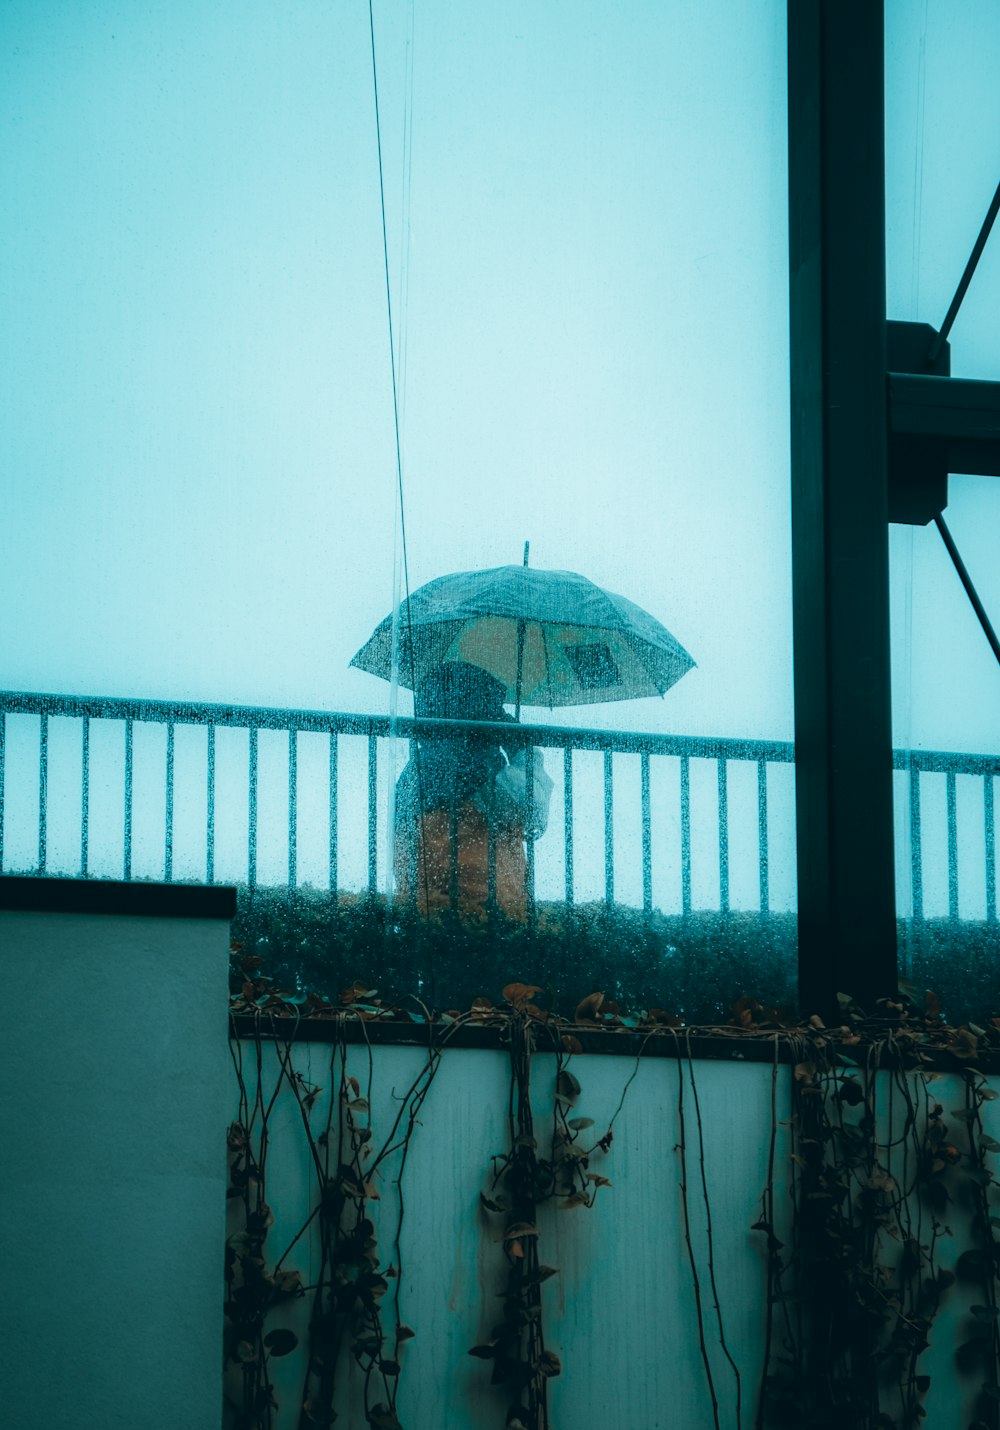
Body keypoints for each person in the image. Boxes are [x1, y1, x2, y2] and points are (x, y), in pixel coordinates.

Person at [393, 660, 552, 921]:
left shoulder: (416, 772)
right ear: (481, 711)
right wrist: (521, 746)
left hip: (426, 913)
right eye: (493, 707)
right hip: (487, 915)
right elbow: (531, 807)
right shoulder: (480, 770)